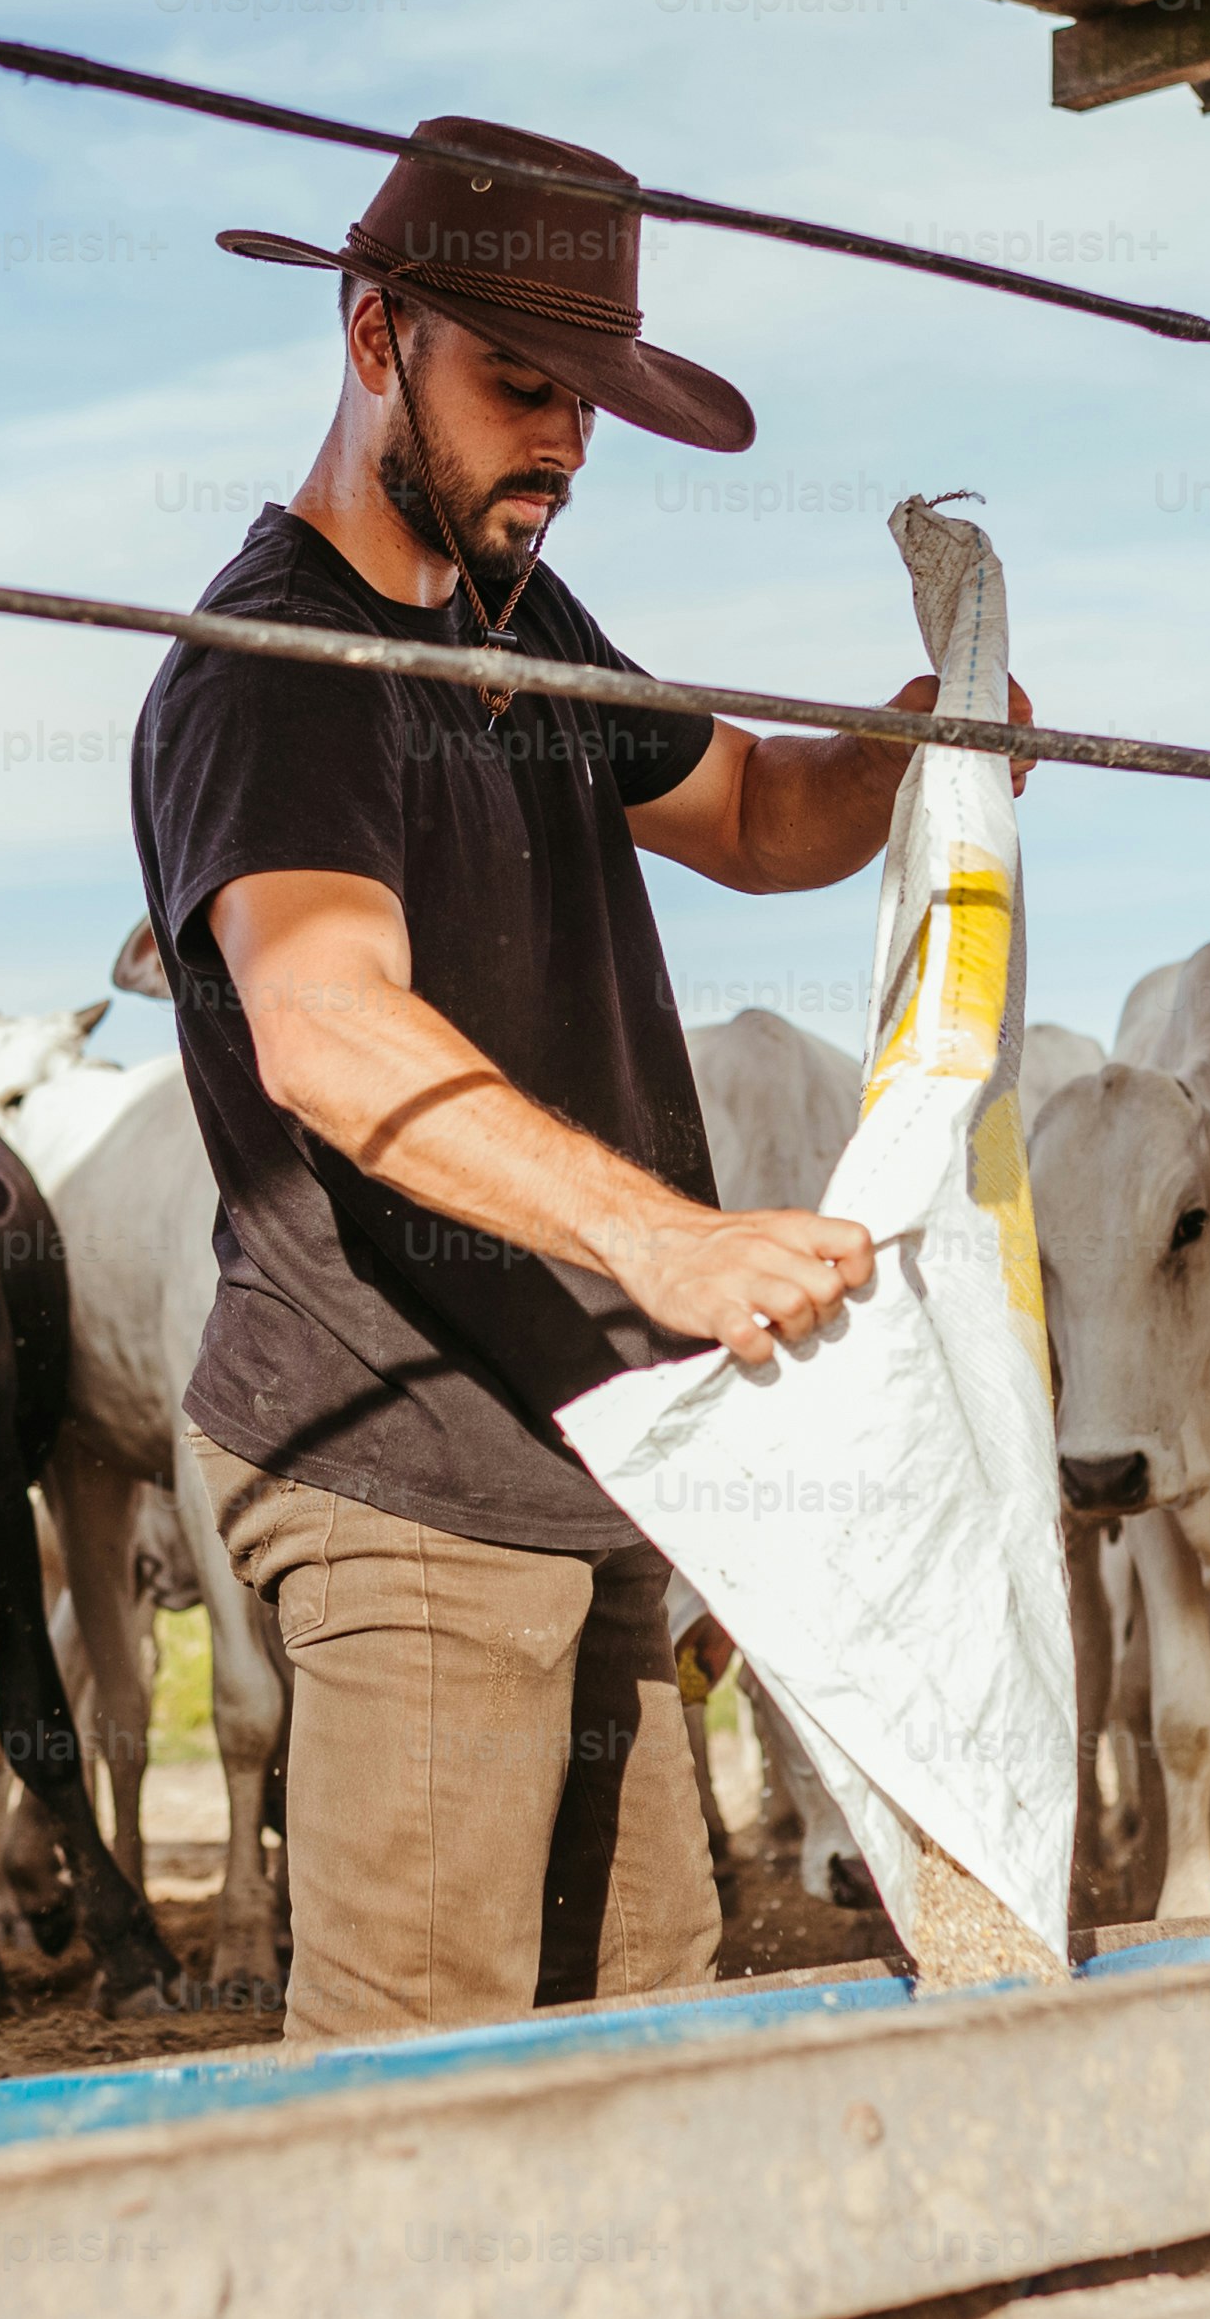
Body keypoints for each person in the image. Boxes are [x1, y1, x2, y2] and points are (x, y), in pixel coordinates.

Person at [129, 114, 1026, 2042]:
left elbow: (763, 811)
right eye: (520, 387)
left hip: (603, 1455)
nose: (561, 444)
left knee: (642, 2023)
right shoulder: (273, 664)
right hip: (404, 1467)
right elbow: (326, 1025)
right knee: (427, 2078)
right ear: (376, 342)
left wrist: (915, 747)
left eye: (590, 406)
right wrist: (674, 1243)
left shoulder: (517, 620)